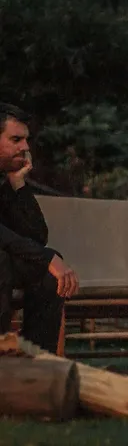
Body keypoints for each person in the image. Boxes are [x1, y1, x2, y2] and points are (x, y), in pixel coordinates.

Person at [0, 102, 79, 353]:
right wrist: (45, 257)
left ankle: (36, 361)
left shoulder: (5, 181)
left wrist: (18, 184)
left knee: (48, 273)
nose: (25, 147)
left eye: (26, 140)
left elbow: (36, 236)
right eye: (16, 139)